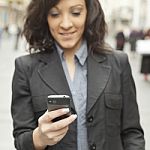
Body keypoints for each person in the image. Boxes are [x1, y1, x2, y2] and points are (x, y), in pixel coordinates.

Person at [11, 0, 145, 150]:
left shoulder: (118, 63)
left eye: (76, 12)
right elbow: (21, 140)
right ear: (44, 17)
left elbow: (132, 133)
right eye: (55, 14)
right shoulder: (25, 68)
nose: (66, 24)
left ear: (89, 13)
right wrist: (40, 137)